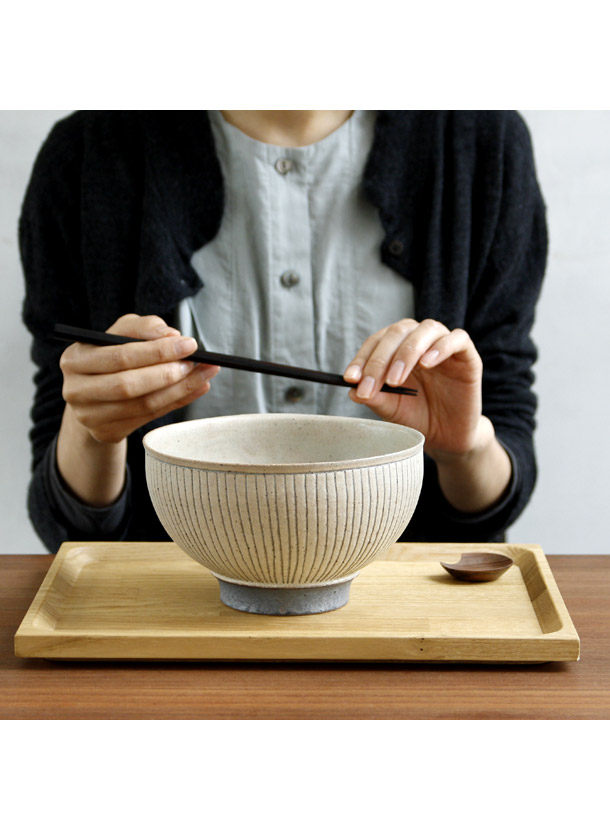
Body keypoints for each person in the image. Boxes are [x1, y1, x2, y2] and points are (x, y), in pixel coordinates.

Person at [20, 110, 547, 553]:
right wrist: (95, 430)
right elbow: (69, 529)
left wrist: (464, 449)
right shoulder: (87, 155)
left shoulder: (483, 143)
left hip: (415, 621)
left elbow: (486, 512)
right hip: (174, 622)